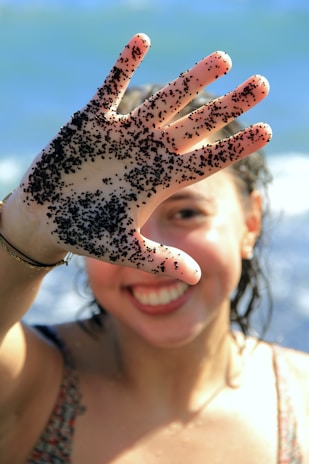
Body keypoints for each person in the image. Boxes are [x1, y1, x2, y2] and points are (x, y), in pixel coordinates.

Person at [0, 32, 307, 464]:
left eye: (186, 214)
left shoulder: (302, 399)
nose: (152, 256)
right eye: (117, 220)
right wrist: (26, 229)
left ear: (250, 223)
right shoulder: (30, 386)